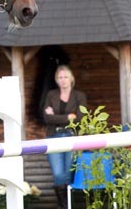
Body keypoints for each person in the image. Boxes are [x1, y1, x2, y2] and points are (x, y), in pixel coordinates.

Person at [43, 65, 87, 209]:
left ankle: (68, 205)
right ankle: (63, 205)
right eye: (60, 77)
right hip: (53, 136)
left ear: (71, 79)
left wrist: (55, 116)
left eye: (65, 77)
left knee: (69, 172)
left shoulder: (79, 96)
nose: (63, 80)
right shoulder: (51, 95)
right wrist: (68, 116)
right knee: (58, 173)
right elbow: (47, 119)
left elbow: (80, 118)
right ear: (56, 80)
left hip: (71, 136)